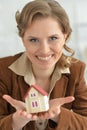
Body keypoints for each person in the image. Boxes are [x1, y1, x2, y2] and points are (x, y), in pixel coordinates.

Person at [0, 0, 87, 130]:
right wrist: (16, 121)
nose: (44, 50)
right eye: (33, 40)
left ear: (65, 36)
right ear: (23, 40)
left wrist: (58, 115)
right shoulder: (2, 70)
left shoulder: (76, 69)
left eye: (53, 38)